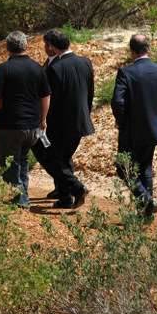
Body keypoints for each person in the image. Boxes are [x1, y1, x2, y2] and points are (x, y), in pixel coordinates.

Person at [111, 33, 157, 216]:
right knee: (145, 167)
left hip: (131, 131)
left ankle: (145, 201)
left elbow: (118, 102)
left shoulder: (126, 72)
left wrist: (122, 121)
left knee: (123, 167)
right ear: (148, 49)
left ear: (131, 51)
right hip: (152, 128)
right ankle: (146, 210)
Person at [0, 31, 50, 209]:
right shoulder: (37, 68)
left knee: (8, 164)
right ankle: (23, 195)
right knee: (21, 161)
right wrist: (43, 119)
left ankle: (19, 200)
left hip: (10, 126)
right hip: (32, 126)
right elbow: (45, 96)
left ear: (7, 48)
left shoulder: (3, 69)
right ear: (26, 46)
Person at [32, 29, 95, 209]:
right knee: (64, 157)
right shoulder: (85, 62)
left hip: (58, 124)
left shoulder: (53, 69)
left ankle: (75, 188)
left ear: (51, 46)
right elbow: (90, 93)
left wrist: (42, 120)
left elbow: (49, 99)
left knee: (48, 156)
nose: (45, 48)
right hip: (81, 121)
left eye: (46, 45)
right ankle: (63, 192)